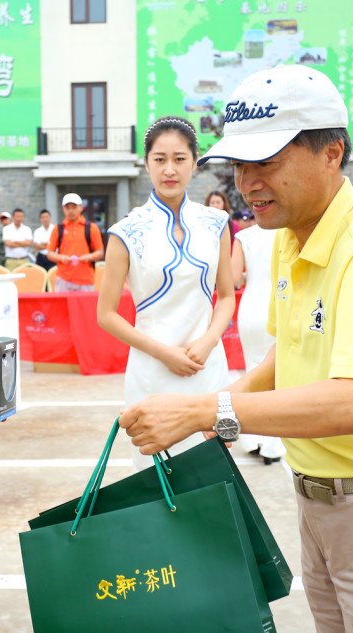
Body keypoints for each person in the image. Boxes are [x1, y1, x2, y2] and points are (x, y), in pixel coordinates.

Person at [119, 65, 353, 633]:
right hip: (323, 504)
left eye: (268, 161)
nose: (247, 181)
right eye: (239, 164)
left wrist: (205, 410)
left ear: (331, 153)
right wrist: (210, 411)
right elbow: (290, 354)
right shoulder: (291, 238)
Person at [98, 117, 234, 471]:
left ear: (195, 161)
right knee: (156, 481)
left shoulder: (216, 223)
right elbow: (106, 314)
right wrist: (164, 353)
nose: (169, 169)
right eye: (159, 159)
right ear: (147, 164)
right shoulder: (125, 232)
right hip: (152, 372)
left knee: (213, 475)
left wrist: (207, 341)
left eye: (179, 158)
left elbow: (226, 296)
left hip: (208, 369)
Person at [230, 222, 285, 464]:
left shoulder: (243, 236)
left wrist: (248, 274)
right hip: (279, 305)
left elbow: (234, 279)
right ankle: (272, 444)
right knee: (278, 375)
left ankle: (252, 439)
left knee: (252, 372)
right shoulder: (288, 231)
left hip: (250, 308)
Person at [47, 193, 104, 291]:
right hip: (63, 278)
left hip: (86, 279)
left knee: (86, 306)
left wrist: (89, 257)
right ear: (63, 209)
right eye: (67, 208)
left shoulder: (91, 228)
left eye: (74, 207)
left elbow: (100, 252)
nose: (71, 211)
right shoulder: (58, 228)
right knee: (63, 306)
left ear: (81, 207)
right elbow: (50, 253)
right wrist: (61, 257)